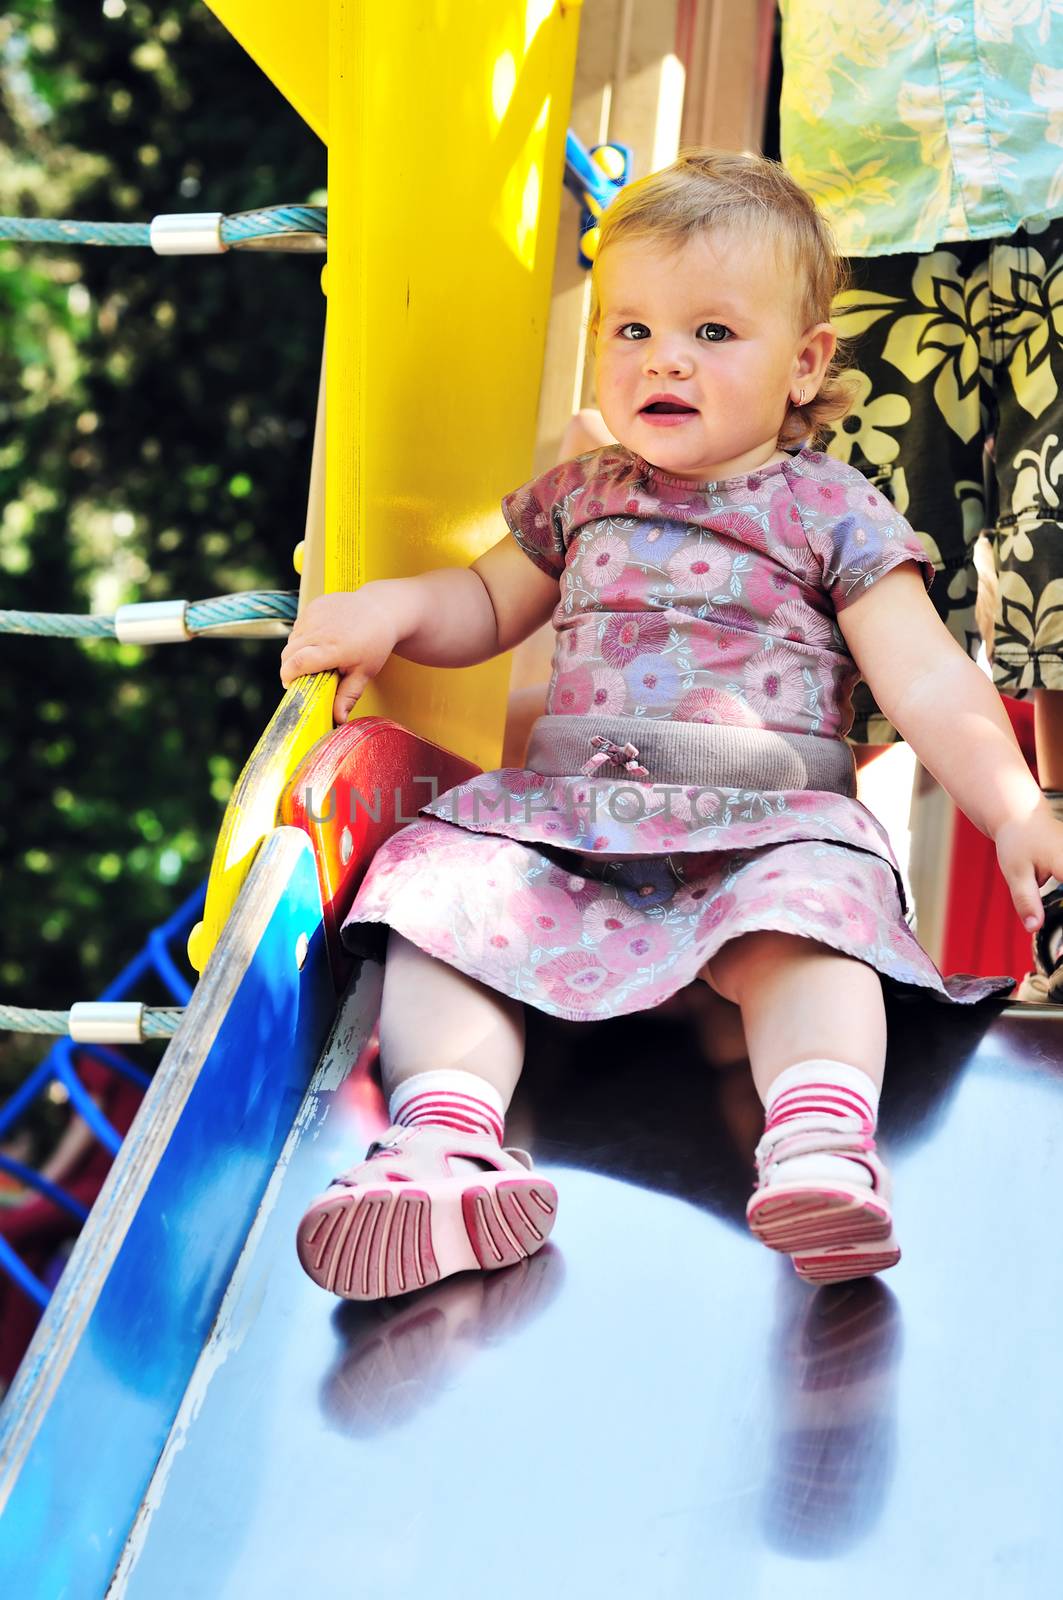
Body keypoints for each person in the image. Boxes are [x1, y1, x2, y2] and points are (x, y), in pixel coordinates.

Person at [281, 151, 1061, 1304]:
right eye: (631, 329)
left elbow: (928, 680)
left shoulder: (828, 508)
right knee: (442, 899)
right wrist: (391, 612)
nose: (664, 359)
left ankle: (816, 1137)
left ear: (802, 367)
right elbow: (489, 604)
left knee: (814, 919)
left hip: (760, 840)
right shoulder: (582, 491)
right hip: (574, 838)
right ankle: (444, 1141)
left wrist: (1011, 808)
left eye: (709, 331)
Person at [777, 0, 1063, 999]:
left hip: (1050, 149)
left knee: (1059, 560)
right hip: (871, 181)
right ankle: (806, 896)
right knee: (855, 567)